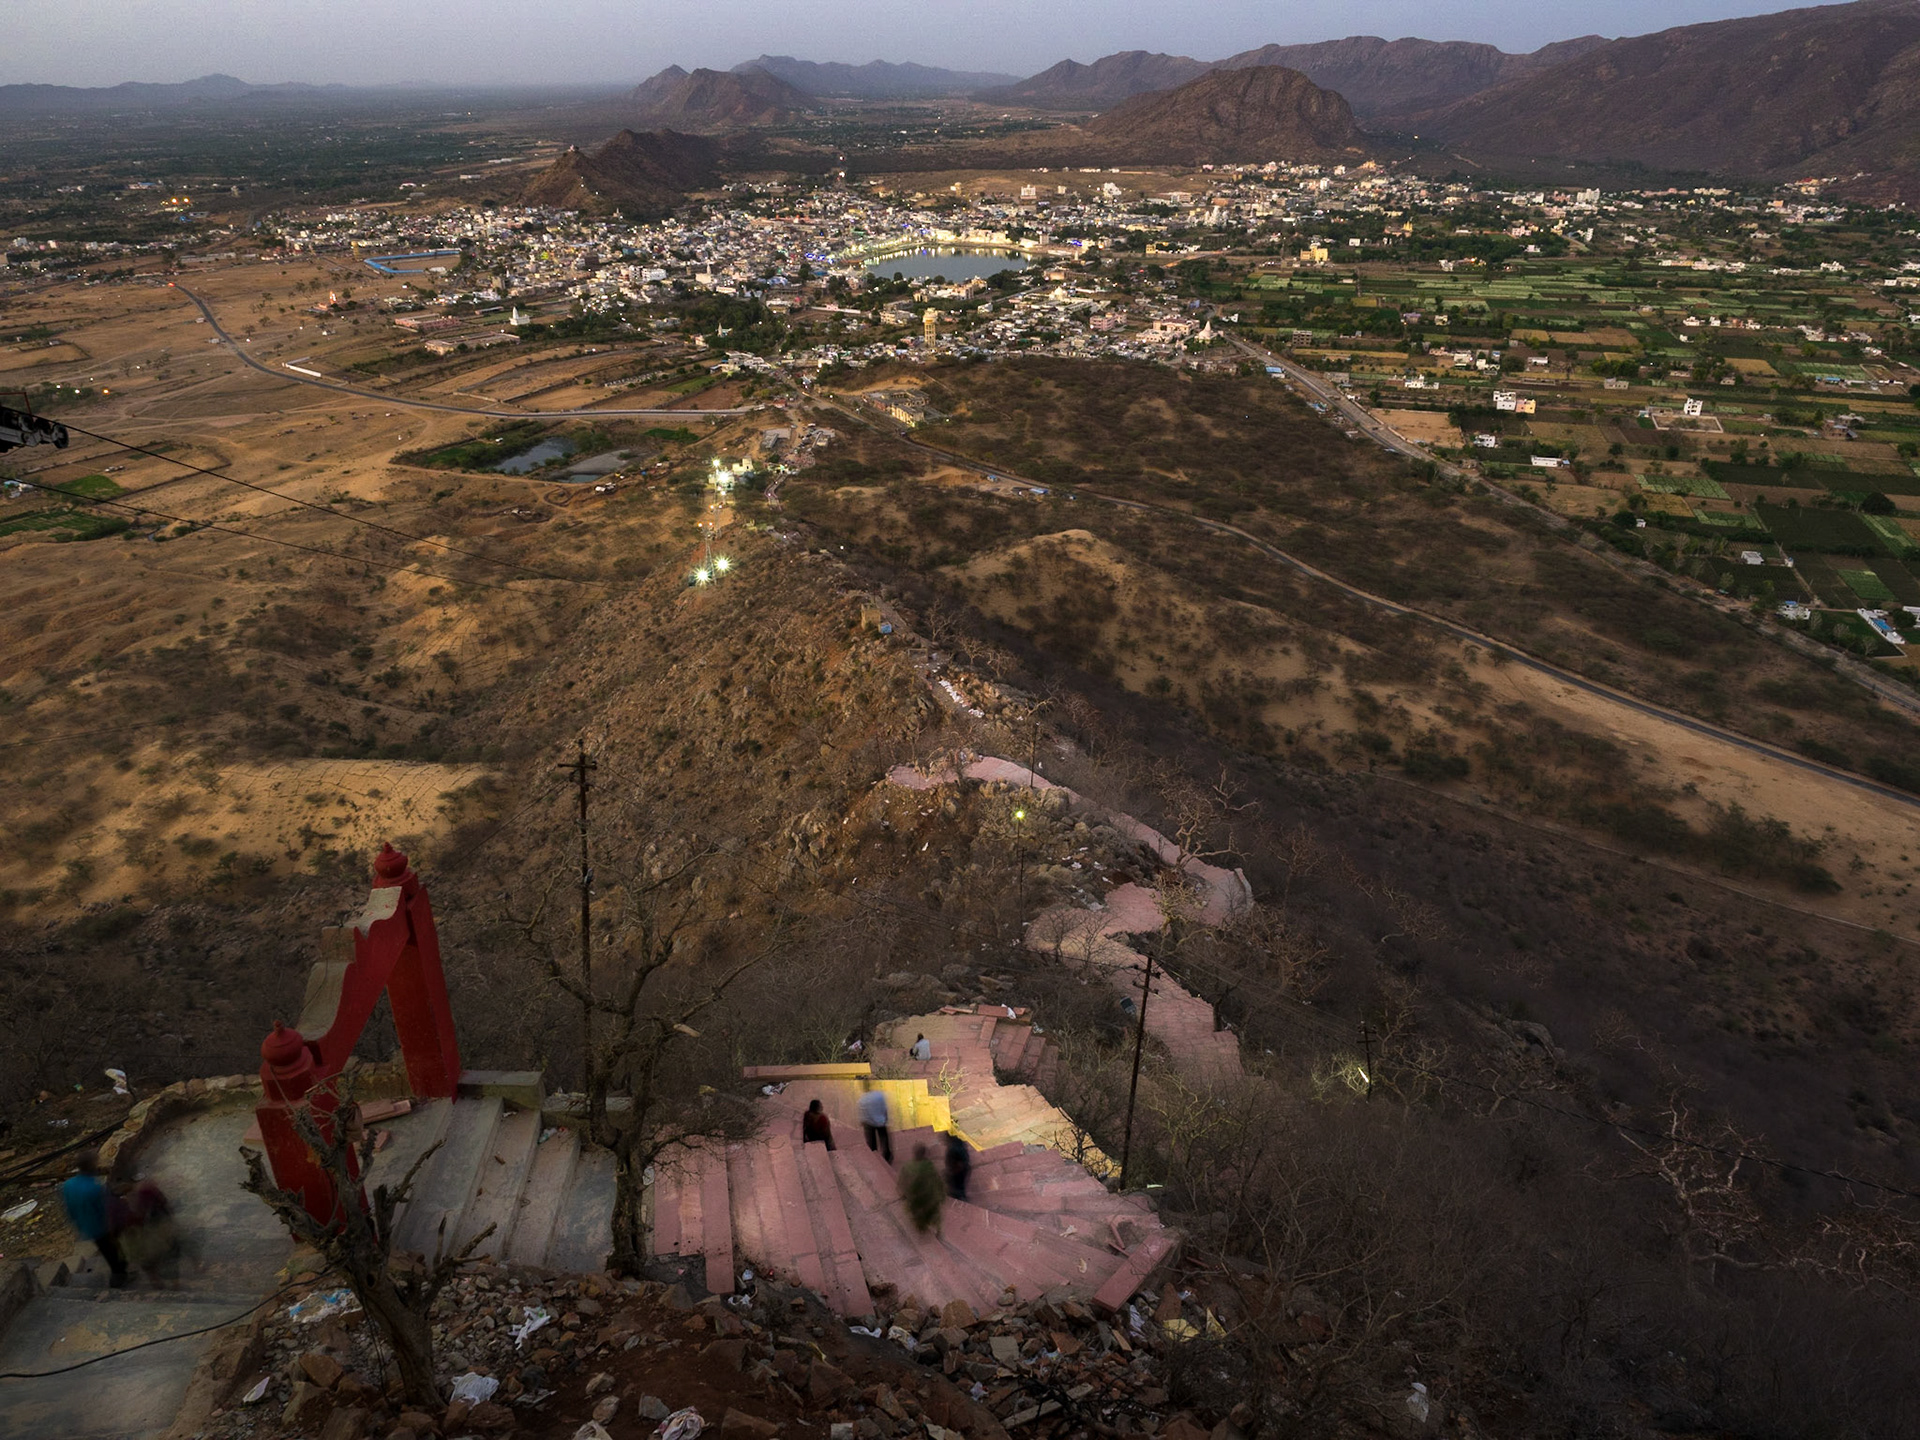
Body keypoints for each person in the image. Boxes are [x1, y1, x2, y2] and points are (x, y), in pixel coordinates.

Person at [60, 1150, 126, 1288]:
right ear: (91, 1166)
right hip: (101, 1227)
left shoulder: (68, 1185)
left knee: (105, 1249)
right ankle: (119, 1275)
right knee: (113, 1251)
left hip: (85, 1226)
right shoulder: (94, 1188)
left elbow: (69, 1208)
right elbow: (104, 1211)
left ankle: (119, 1270)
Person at [122, 1177, 185, 1289]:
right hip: (161, 1231)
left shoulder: (137, 1199)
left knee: (149, 1260)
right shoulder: (150, 1191)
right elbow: (166, 1206)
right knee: (170, 1255)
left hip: (150, 1237)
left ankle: (157, 1283)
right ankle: (175, 1284)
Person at [900, 1145, 945, 1236]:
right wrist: (941, 1193)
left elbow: (903, 1181)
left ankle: (922, 1228)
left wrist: (904, 1194)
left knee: (919, 1215)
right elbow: (937, 1180)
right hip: (929, 1197)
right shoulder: (929, 1166)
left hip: (917, 1199)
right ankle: (938, 1231)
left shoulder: (908, 1166)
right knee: (934, 1214)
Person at [858, 1083, 892, 1164]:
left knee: (872, 1142)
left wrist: (863, 1122)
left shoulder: (862, 1100)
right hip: (881, 1121)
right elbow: (884, 1108)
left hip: (870, 1124)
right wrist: (886, 1118)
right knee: (884, 1139)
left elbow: (863, 1114)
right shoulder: (879, 1095)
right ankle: (887, 1156)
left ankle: (876, 1158)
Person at [944, 1131, 972, 1202]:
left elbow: (959, 1164)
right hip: (963, 1169)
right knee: (960, 1187)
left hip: (958, 1172)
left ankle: (960, 1199)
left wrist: (951, 1172)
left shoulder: (953, 1148)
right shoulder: (958, 1141)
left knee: (958, 1188)